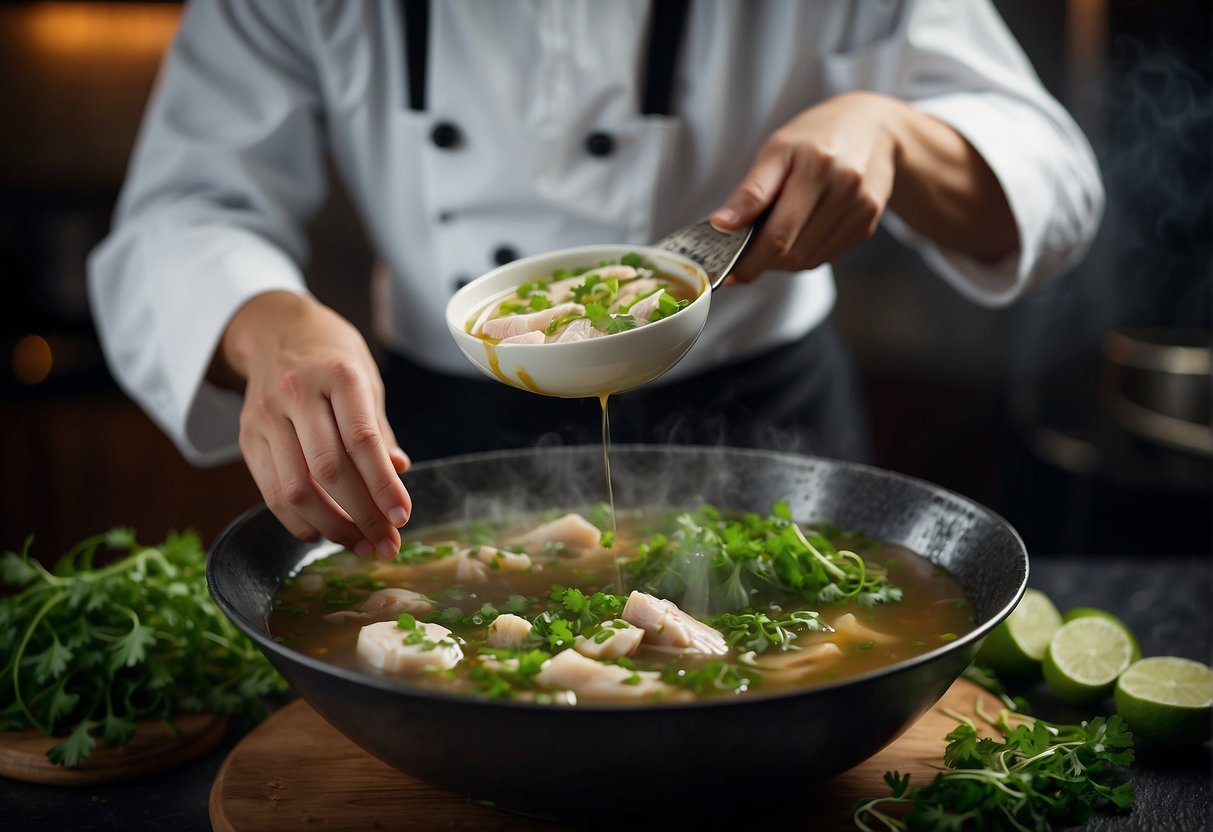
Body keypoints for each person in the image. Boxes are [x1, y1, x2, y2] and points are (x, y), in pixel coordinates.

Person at [87, 1, 1103, 560]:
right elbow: (181, 207)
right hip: (428, 444)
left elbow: (1051, 173)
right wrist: (268, 326)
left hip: (760, 432)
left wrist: (894, 133)